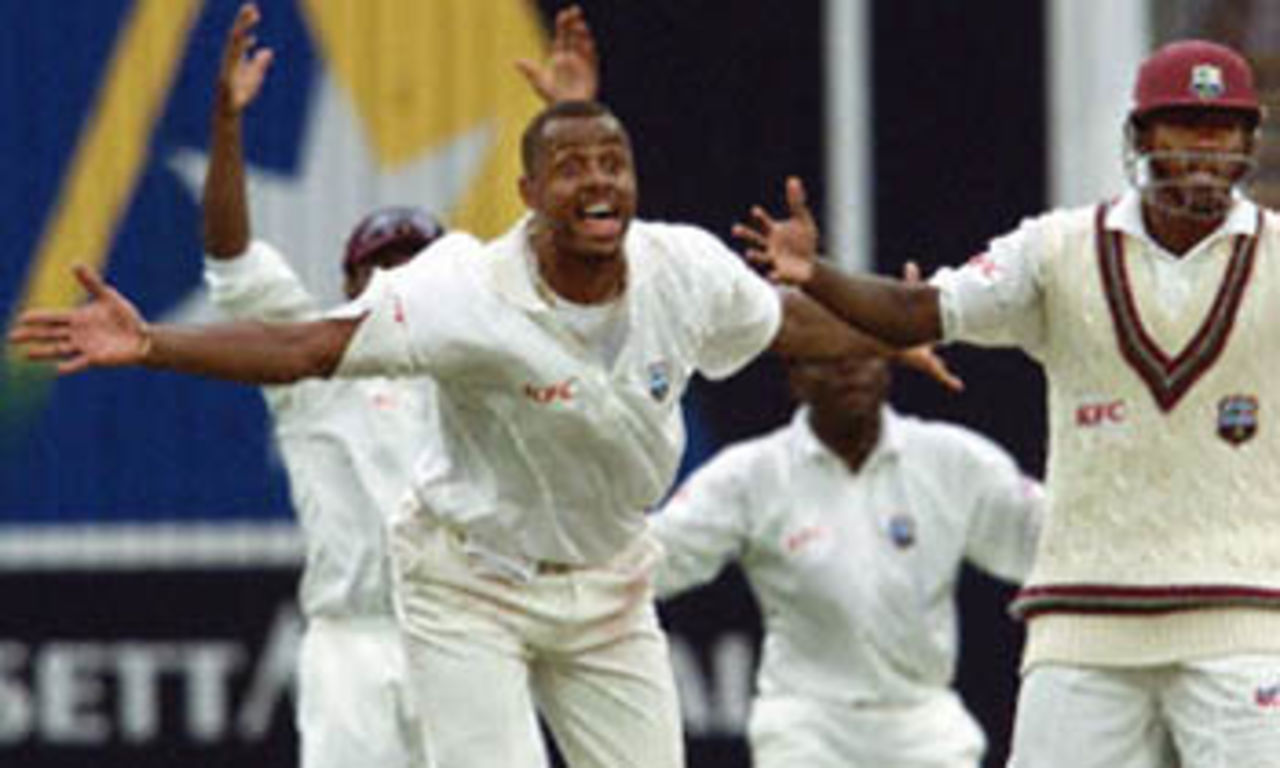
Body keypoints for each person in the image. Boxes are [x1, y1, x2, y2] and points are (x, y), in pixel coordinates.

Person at [8, 8, 960, 764]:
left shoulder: (686, 269)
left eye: (613, 164)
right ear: (524, 196)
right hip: (464, 586)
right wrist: (153, 343)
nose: (599, 182)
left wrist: (896, 324)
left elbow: (786, 320)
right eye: (571, 168)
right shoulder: (454, 295)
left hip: (606, 584)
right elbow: (301, 346)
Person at [735, 39, 1280, 768]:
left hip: (1242, 619)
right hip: (1084, 618)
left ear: (1249, 139)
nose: (1205, 148)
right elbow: (918, 310)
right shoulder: (1056, 249)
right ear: (1143, 136)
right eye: (1184, 124)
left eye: (1223, 128)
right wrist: (818, 274)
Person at [197, 7, 450, 768]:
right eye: (384, 263)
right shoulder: (312, 362)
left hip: (464, 632)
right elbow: (231, 258)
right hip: (354, 643)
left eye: (419, 262)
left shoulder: (481, 362)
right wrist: (228, 125)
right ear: (349, 283)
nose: (402, 278)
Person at [651, 298, 1042, 768]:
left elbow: (1053, 544)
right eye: (829, 360)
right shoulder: (751, 475)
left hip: (923, 717)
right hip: (805, 723)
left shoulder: (954, 462)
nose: (850, 372)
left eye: (863, 356)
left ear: (887, 367)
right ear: (796, 378)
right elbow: (656, 557)